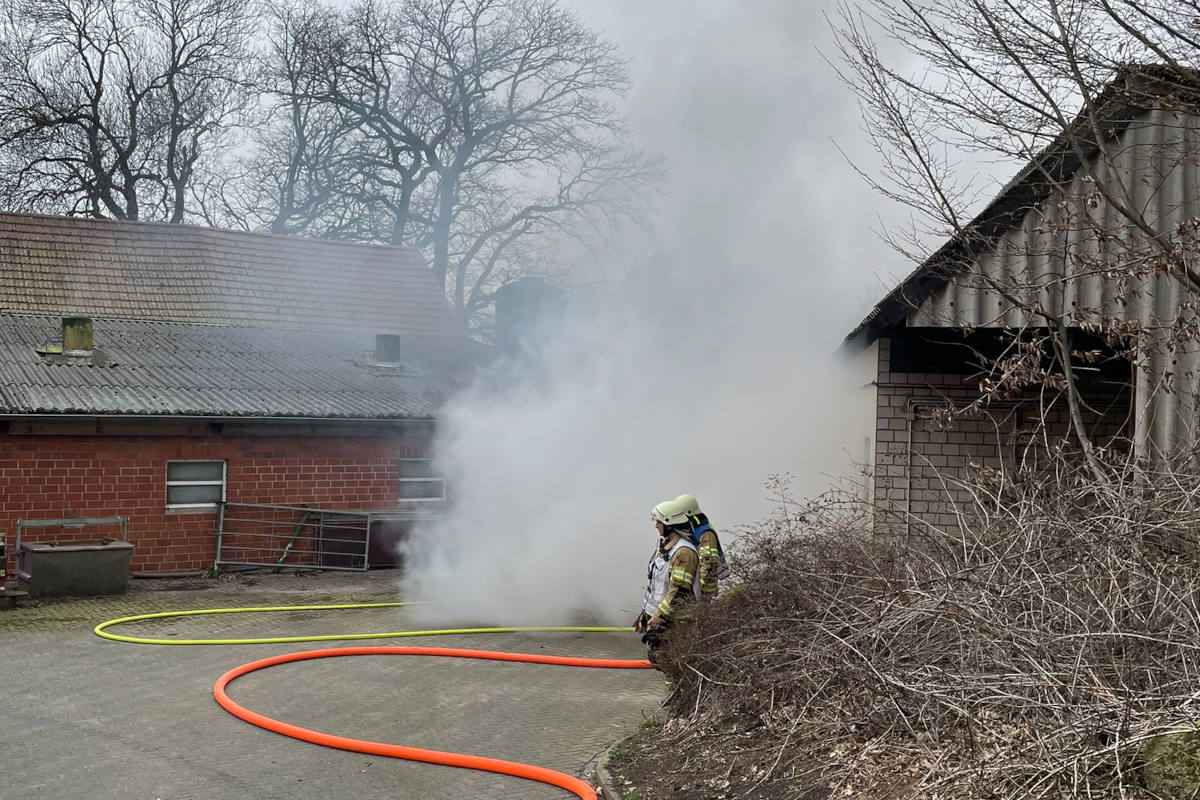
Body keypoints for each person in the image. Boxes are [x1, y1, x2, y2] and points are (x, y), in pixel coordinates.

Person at [633, 499, 699, 669]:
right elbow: (656, 584)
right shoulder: (665, 546)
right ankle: (676, 693)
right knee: (659, 661)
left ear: (669, 523)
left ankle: (680, 694)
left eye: (659, 522)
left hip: (675, 620)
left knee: (672, 663)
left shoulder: (683, 552)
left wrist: (659, 616)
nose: (656, 526)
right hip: (661, 617)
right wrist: (645, 614)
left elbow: (679, 591)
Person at [675, 493, 728, 599]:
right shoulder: (694, 528)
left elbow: (708, 565)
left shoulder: (704, 533)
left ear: (687, 513)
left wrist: (699, 593)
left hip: (705, 590)